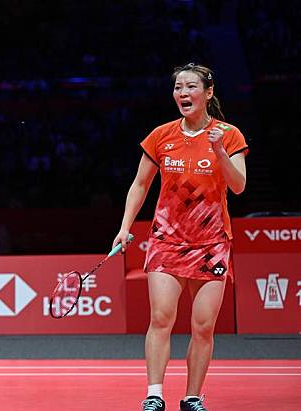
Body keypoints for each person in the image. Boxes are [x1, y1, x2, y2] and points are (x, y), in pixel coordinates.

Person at [112, 63, 248, 411]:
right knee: (161, 319)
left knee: (203, 327)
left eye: (190, 87)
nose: (182, 94)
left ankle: (191, 398)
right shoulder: (161, 136)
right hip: (166, 241)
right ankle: (154, 394)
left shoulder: (229, 135)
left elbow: (238, 186)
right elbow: (140, 184)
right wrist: (125, 227)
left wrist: (219, 151)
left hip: (212, 243)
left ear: (208, 93)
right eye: (177, 88)